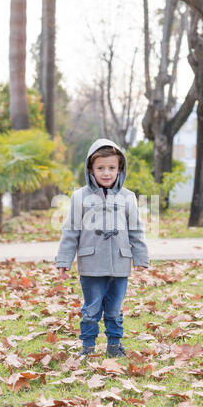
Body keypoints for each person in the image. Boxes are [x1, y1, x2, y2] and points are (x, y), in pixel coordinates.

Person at [55, 138, 149, 357]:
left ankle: (114, 346)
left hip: (120, 262)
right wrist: (63, 261)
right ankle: (87, 347)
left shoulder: (128, 197)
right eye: (100, 168)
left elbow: (136, 230)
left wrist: (141, 259)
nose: (106, 173)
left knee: (115, 310)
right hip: (91, 264)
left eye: (111, 168)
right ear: (91, 169)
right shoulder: (80, 197)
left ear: (120, 169)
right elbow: (70, 232)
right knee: (91, 309)